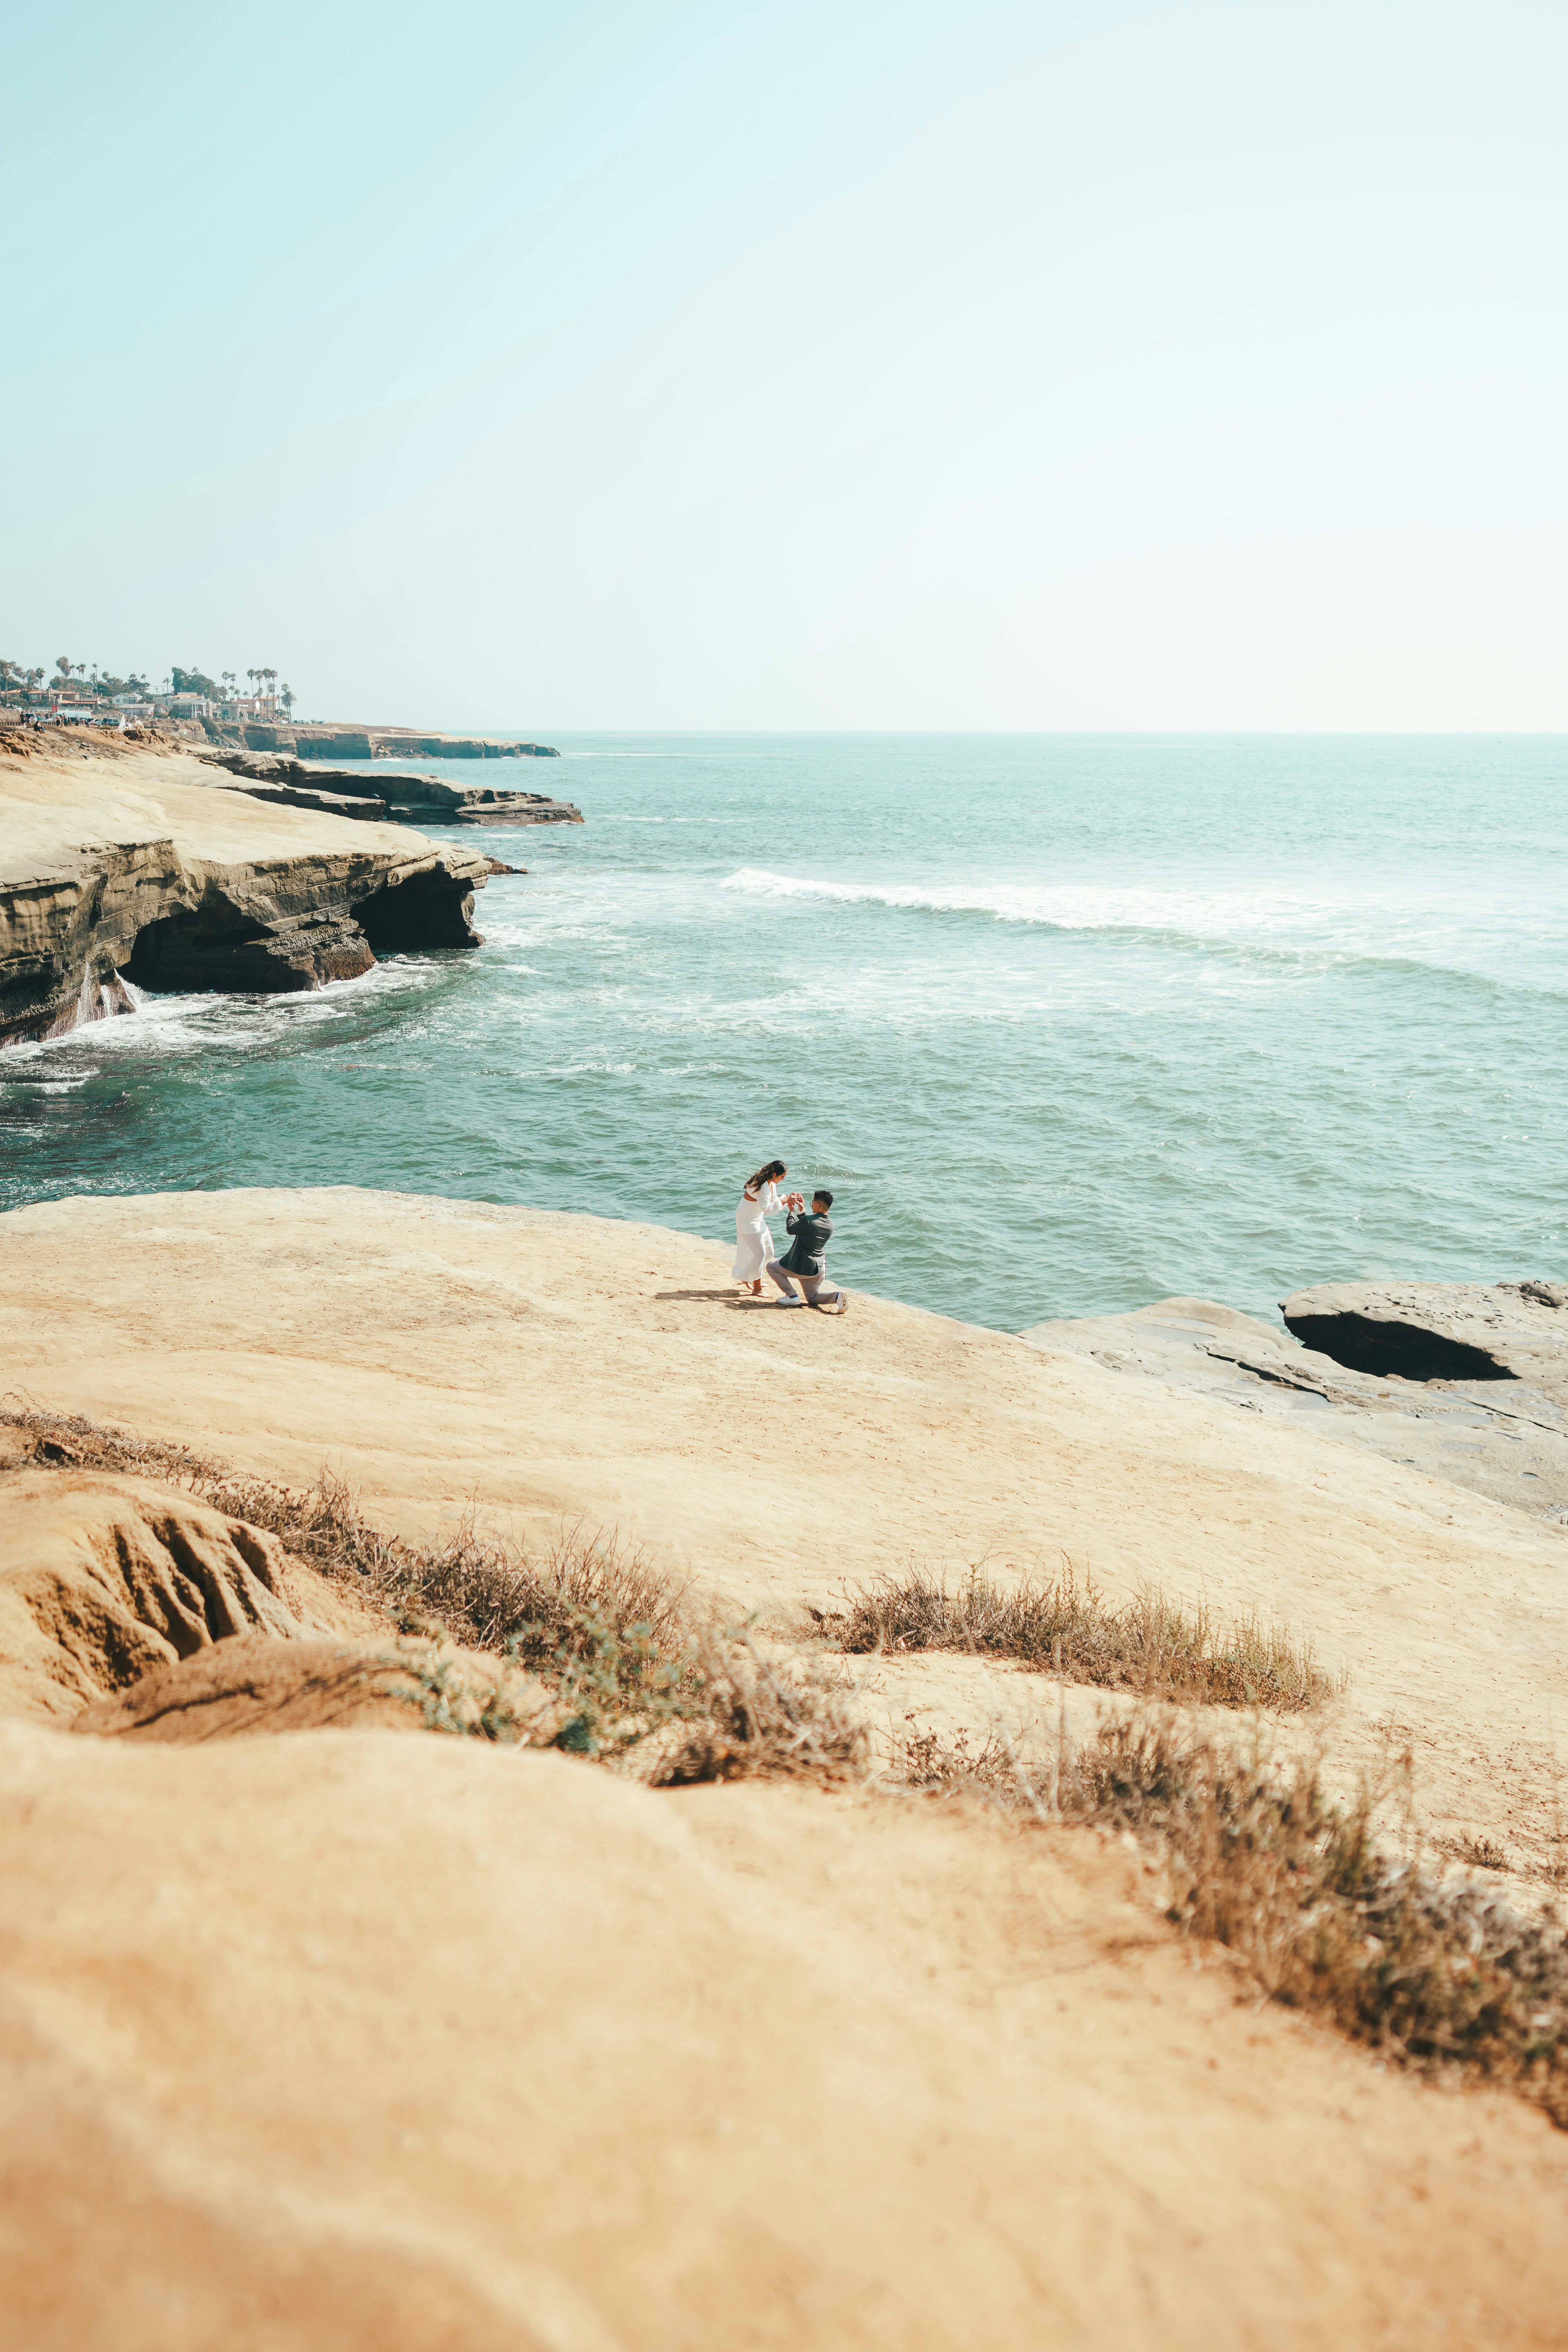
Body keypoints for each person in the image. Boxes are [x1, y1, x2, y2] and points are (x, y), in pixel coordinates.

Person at [766, 1189, 847, 1312]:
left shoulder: (808, 1222)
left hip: (803, 1267)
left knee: (771, 1267)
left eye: (813, 1203)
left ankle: (792, 1296)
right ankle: (837, 1296)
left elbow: (791, 1229)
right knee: (813, 1299)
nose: (812, 1205)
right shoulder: (830, 1225)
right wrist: (802, 1210)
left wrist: (792, 1211)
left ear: (818, 1205)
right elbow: (809, 1226)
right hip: (819, 1269)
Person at [732, 1158, 787, 1295]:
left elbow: (774, 1202)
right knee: (760, 1254)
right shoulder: (763, 1185)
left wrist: (787, 1200)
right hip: (747, 1220)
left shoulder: (772, 1183)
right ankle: (757, 1288)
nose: (783, 1180)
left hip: (758, 1219)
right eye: (782, 1177)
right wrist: (785, 1201)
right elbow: (768, 1210)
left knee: (769, 1252)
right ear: (775, 1174)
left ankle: (749, 1277)